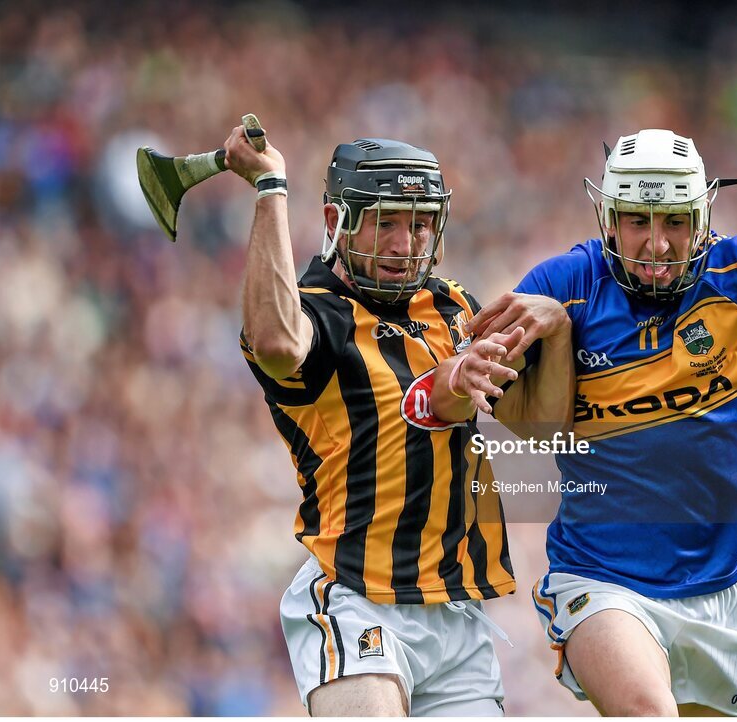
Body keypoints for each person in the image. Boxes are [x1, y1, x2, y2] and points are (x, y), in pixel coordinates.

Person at [438, 77, 737, 715]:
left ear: (704, 218)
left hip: (725, 590)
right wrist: (536, 337)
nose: (657, 244)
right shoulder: (562, 284)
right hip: (603, 580)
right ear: (609, 217)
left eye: (675, 223)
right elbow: (538, 429)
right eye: (638, 221)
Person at [224, 129, 537, 716]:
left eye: (420, 224)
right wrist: (269, 188)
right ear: (336, 220)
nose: (405, 243)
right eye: (385, 222)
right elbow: (272, 342)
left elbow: (548, 406)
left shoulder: (453, 306)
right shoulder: (314, 310)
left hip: (458, 614)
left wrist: (550, 311)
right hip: (355, 598)